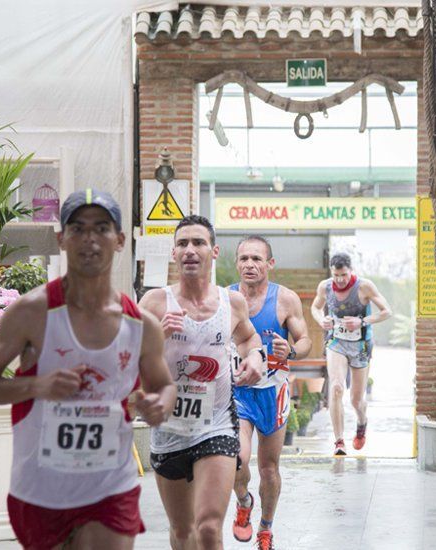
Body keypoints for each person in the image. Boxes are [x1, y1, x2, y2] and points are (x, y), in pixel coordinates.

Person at [0, 188, 177, 550]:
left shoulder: (142, 325)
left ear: (120, 240)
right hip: (41, 486)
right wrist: (36, 386)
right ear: (61, 238)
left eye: (102, 228)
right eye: (78, 229)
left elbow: (165, 386)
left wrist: (160, 405)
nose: (90, 239)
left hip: (111, 485)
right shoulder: (32, 312)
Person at [139, 215, 265, 550]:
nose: (190, 250)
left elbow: (250, 341)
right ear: (174, 253)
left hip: (217, 426)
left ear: (214, 251)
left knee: (208, 527)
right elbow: (125, 360)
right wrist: (156, 337)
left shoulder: (231, 302)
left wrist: (254, 359)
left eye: (198, 243)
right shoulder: (153, 303)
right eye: (182, 244)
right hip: (169, 430)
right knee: (183, 533)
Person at [228, 236, 312, 550]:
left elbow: (305, 341)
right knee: (237, 459)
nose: (250, 265)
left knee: (268, 468)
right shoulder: (225, 298)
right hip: (238, 393)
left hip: (272, 393)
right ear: (237, 263)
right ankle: (243, 500)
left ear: (269, 264)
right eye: (244, 259)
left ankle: (265, 528)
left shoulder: (285, 299)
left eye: (257, 259)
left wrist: (290, 349)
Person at [310, 252, 392, 456]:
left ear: (351, 271)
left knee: (356, 399)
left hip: (361, 345)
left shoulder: (364, 287)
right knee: (336, 387)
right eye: (336, 275)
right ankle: (339, 442)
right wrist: (322, 320)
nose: (340, 279)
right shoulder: (325, 286)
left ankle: (362, 422)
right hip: (336, 342)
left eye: (344, 275)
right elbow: (315, 307)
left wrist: (362, 322)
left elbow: (386, 311)